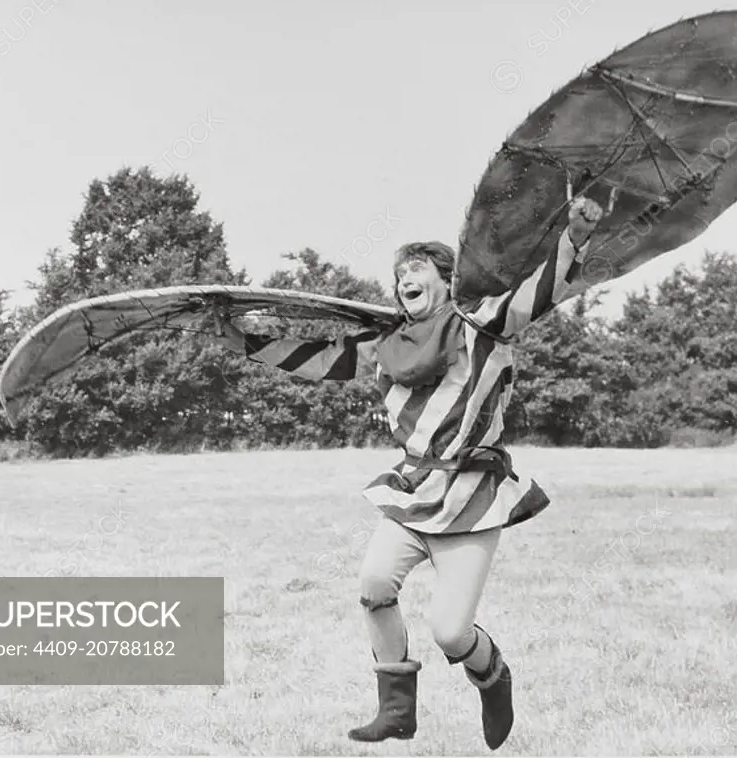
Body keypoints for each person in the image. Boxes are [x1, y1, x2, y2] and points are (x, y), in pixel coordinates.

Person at [213, 194, 605, 749]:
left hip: (472, 493)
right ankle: (397, 710)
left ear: (448, 281)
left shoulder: (484, 323)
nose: (404, 283)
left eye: (417, 273)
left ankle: (492, 677)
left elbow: (539, 294)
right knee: (373, 586)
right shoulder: (386, 343)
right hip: (414, 487)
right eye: (399, 277)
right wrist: (248, 343)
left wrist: (576, 236)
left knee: (450, 631)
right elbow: (322, 359)